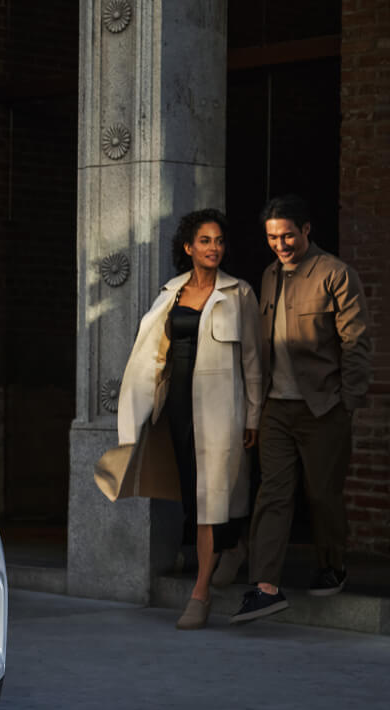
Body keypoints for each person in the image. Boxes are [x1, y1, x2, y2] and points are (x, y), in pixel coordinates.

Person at [98, 209, 261, 629]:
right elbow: (154, 353)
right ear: (188, 247)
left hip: (223, 406)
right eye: (205, 241)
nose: (214, 248)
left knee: (212, 494)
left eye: (220, 241)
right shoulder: (170, 293)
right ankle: (233, 546)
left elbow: (253, 361)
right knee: (193, 490)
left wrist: (254, 415)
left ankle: (201, 591)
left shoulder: (239, 293)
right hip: (178, 405)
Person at [231, 195, 372, 624]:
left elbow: (357, 343)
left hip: (323, 406)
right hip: (277, 407)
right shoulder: (270, 276)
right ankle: (265, 587)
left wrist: (347, 402)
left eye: (288, 235)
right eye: (273, 237)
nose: (281, 244)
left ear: (307, 230)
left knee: (322, 494)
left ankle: (333, 564)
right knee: (271, 493)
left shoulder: (335, 275)